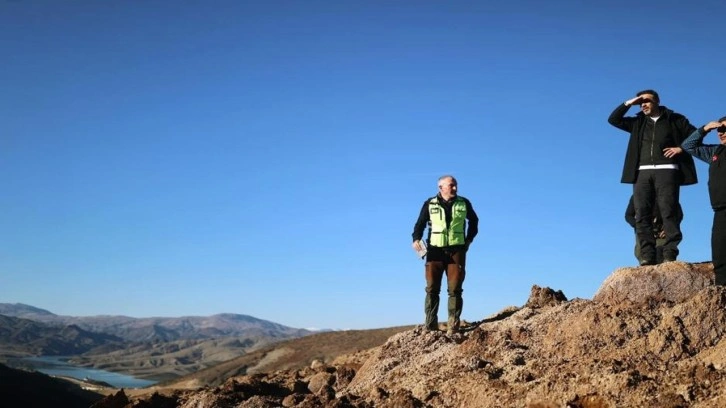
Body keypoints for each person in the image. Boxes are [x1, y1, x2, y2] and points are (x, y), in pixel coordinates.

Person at [608, 89, 698, 265]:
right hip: (642, 171)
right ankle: (647, 255)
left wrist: (681, 148)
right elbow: (613, 119)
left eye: (647, 101)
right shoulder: (638, 122)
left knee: (669, 211)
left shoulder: (675, 119)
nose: (643, 104)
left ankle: (670, 253)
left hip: (667, 170)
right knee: (642, 213)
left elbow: (695, 135)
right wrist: (628, 103)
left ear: (657, 101)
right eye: (640, 102)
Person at [411, 175, 478, 335]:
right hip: (434, 250)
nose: (455, 188)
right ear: (441, 187)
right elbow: (419, 225)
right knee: (432, 289)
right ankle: (430, 325)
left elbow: (474, 222)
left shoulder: (464, 203)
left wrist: (468, 240)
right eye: (451, 185)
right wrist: (416, 240)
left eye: (455, 185)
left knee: (455, 289)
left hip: (457, 251)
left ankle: (453, 326)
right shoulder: (429, 204)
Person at [681, 116, 726, 285]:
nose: (721, 133)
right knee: (720, 253)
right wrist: (704, 129)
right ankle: (723, 294)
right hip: (720, 210)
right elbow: (688, 145)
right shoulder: (715, 152)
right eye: (719, 130)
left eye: (725, 129)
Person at [624, 195, 683, 264]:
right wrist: (642, 227)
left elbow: (679, 215)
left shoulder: (666, 193)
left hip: (661, 233)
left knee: (660, 254)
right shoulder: (638, 195)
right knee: (643, 256)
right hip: (644, 232)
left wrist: (669, 227)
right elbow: (628, 216)